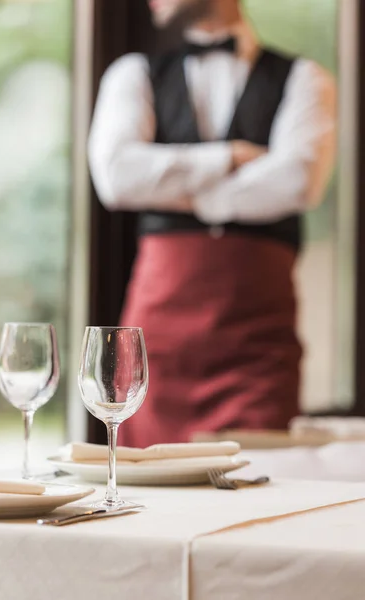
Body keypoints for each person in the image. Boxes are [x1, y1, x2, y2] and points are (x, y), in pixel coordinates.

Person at [88, 0, 336, 447]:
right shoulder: (132, 73)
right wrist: (230, 159)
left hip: (258, 347)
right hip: (157, 345)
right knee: (150, 498)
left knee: (258, 490)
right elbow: (116, 178)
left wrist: (180, 191)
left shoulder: (306, 78)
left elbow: (298, 183)